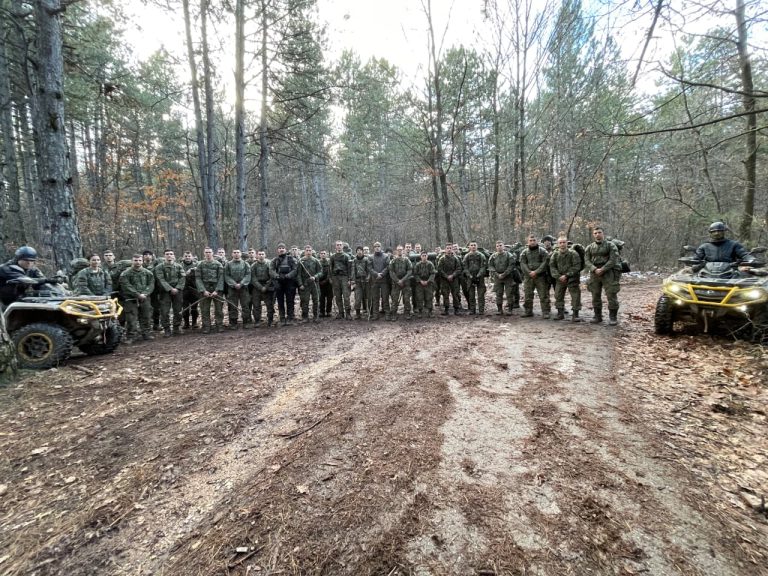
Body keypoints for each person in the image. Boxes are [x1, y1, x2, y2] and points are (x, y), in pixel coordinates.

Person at [585, 227, 621, 325]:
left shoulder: (610, 245)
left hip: (608, 273)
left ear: (603, 233)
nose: (597, 234)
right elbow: (586, 260)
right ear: (593, 235)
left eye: (599, 232)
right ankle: (597, 316)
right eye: (595, 233)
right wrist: (594, 269)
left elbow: (613, 259)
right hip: (594, 273)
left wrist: (603, 269)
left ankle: (613, 317)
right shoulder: (589, 247)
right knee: (595, 295)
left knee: (611, 294)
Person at [119, 254, 155, 342]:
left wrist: (145, 294)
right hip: (130, 299)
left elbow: (151, 284)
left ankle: (146, 334)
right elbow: (126, 286)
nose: (138, 262)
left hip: (145, 298)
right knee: (131, 318)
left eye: (139, 260)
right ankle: (131, 336)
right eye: (135, 260)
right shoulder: (125, 273)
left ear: (142, 261)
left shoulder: (148, 273)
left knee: (146, 316)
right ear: (132, 261)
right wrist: (137, 294)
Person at [549, 236, 583, 322]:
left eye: (564, 242)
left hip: (572, 278)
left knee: (575, 296)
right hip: (560, 279)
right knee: (558, 295)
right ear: (558, 244)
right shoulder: (555, 254)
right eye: (560, 243)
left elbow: (577, 266)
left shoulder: (573, 253)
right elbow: (552, 266)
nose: (562, 244)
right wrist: (558, 276)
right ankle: (560, 313)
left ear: (567, 243)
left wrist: (567, 275)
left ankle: (575, 314)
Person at [154, 249, 186, 336]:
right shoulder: (159, 267)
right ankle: (167, 329)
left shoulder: (178, 266)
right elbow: (160, 279)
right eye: (167, 254)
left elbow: (182, 278)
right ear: (164, 256)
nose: (169, 255)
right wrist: (170, 289)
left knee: (178, 310)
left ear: (174, 256)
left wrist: (177, 288)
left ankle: (176, 327)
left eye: (171, 254)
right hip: (164, 292)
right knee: (165, 311)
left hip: (178, 291)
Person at [519, 235, 551, 319]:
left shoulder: (543, 251)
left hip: (541, 276)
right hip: (528, 277)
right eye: (530, 240)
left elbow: (545, 263)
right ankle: (528, 311)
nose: (532, 242)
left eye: (534, 240)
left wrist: (536, 272)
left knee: (543, 295)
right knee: (528, 295)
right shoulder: (524, 252)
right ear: (528, 242)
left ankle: (545, 311)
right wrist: (529, 272)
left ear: (537, 241)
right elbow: (523, 263)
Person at [196, 247, 225, 333]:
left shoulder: (218, 264)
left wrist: (217, 290)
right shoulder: (200, 264)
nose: (208, 254)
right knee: (204, 310)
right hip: (205, 289)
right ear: (204, 253)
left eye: (209, 252)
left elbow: (221, 278)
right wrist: (203, 290)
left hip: (217, 289)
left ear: (212, 253)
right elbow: (198, 278)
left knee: (219, 309)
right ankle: (206, 326)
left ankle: (219, 325)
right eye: (206, 252)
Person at [270, 242, 298, 326]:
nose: (281, 249)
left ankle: (290, 317)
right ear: (277, 250)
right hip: (279, 283)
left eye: (283, 248)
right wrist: (277, 276)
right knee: (280, 301)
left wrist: (288, 275)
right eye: (280, 248)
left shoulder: (291, 259)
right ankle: (282, 318)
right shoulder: (275, 260)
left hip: (290, 282)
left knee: (290, 300)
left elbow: (295, 269)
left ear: (286, 249)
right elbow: (271, 270)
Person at [224, 249, 252, 329]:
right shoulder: (228, 264)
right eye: (234, 252)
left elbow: (248, 275)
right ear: (232, 254)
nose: (236, 254)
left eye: (238, 252)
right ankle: (233, 323)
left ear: (240, 254)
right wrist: (234, 284)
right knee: (233, 306)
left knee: (245, 305)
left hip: (243, 288)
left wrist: (241, 283)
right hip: (232, 289)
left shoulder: (245, 264)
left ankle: (246, 322)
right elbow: (226, 275)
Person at [488, 241, 517, 316]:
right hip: (497, 277)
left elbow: (511, 266)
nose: (499, 247)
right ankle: (499, 310)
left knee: (509, 293)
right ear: (496, 247)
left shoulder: (509, 255)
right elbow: (490, 266)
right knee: (498, 293)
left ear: (503, 246)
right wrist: (496, 274)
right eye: (497, 246)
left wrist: (504, 274)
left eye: (500, 245)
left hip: (508, 277)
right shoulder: (493, 256)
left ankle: (510, 310)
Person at [298, 245, 323, 322]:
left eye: (310, 250)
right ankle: (305, 317)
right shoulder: (301, 261)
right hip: (305, 284)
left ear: (312, 251)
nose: (308, 252)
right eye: (307, 250)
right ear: (304, 251)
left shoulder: (316, 261)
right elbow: (298, 274)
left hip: (314, 284)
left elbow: (320, 272)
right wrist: (300, 284)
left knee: (316, 300)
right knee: (305, 301)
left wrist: (315, 276)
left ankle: (316, 316)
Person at [250, 250, 275, 327]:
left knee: (269, 305)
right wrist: (260, 287)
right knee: (256, 305)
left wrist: (266, 286)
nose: (261, 255)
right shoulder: (253, 265)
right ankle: (257, 321)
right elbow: (253, 278)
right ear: (257, 255)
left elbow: (272, 276)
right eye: (259, 254)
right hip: (256, 287)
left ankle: (270, 320)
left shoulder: (269, 264)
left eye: (262, 254)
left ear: (265, 255)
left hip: (267, 286)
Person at [329, 240, 353, 319]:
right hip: (335, 277)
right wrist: (330, 278)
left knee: (346, 296)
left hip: (344, 277)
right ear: (335, 247)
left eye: (340, 245)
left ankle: (348, 313)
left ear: (342, 246)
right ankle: (340, 312)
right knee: (338, 296)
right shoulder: (332, 257)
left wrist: (350, 279)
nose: (339, 246)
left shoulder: (346, 256)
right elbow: (330, 268)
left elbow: (349, 268)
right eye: (337, 245)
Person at [389, 245, 413, 320]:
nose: (400, 251)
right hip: (396, 283)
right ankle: (393, 313)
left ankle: (407, 313)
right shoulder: (393, 261)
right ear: (396, 251)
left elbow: (410, 271)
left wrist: (402, 280)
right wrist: (397, 280)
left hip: (406, 282)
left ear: (403, 251)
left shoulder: (406, 260)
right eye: (398, 250)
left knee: (406, 299)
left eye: (401, 249)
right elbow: (391, 272)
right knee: (394, 299)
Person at [437, 243, 462, 315]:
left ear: (452, 249)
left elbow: (459, 268)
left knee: (455, 294)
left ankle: (456, 309)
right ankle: (446, 309)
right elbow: (440, 269)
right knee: (445, 294)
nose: (449, 250)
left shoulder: (456, 258)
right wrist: (446, 276)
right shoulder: (442, 259)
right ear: (445, 249)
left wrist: (453, 275)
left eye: (450, 248)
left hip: (454, 279)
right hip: (444, 279)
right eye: (447, 248)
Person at [463, 241, 487, 315]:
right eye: (471, 245)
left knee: (481, 294)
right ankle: (472, 310)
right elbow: (465, 267)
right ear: (469, 247)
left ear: (477, 246)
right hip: (470, 277)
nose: (473, 246)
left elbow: (483, 267)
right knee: (471, 295)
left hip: (480, 277)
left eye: (474, 245)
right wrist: (469, 275)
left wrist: (478, 275)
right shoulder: (466, 256)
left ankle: (481, 310)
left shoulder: (481, 255)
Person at [368, 242, 391, 320]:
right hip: (375, 280)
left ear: (381, 247)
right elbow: (369, 268)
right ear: (373, 248)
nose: (377, 247)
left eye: (378, 246)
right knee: (375, 298)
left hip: (384, 280)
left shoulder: (386, 256)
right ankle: (375, 314)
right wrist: (376, 274)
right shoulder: (370, 257)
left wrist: (381, 274)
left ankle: (387, 314)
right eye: (375, 246)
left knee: (385, 298)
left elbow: (388, 267)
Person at [413, 251, 436, 318]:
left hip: (428, 283)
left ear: (427, 256)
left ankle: (430, 311)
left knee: (429, 297)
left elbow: (433, 273)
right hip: (419, 283)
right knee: (419, 297)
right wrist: (420, 281)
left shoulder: (430, 264)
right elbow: (415, 274)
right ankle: (420, 311)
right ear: (420, 257)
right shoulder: (418, 265)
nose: (424, 257)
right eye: (423, 256)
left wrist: (428, 281)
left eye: (425, 255)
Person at [180, 251, 199, 329]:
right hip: (184, 289)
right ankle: (186, 323)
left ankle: (194, 323)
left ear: (192, 257)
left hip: (194, 289)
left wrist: (193, 269)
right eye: (186, 256)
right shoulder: (180, 265)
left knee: (194, 307)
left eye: (189, 256)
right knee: (185, 307)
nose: (187, 257)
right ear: (183, 257)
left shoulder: (196, 265)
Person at [352, 246, 371, 319]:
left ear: (363, 252)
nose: (359, 252)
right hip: (358, 281)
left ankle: (370, 312)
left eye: (360, 250)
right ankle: (357, 313)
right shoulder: (354, 260)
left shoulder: (366, 260)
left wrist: (368, 277)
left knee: (369, 297)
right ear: (356, 252)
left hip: (366, 281)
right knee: (358, 297)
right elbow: (353, 271)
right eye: (358, 250)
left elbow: (369, 270)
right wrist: (353, 281)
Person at [317, 249, 333, 318]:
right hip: (320, 283)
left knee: (330, 298)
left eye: (324, 253)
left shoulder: (329, 262)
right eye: (321, 253)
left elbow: (330, 272)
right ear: (319, 255)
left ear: (326, 254)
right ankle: (321, 312)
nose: (323, 255)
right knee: (321, 298)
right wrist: (318, 281)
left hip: (328, 283)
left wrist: (327, 280)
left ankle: (329, 311)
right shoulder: (317, 262)